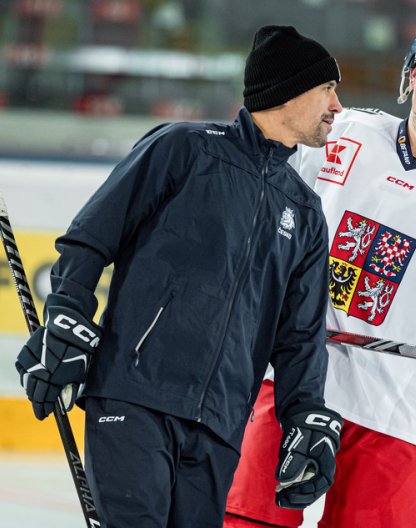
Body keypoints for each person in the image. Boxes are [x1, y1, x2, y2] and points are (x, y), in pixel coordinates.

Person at [14, 25, 345, 527]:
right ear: (289, 92)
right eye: (327, 90)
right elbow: (90, 238)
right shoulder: (185, 149)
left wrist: (306, 416)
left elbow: (300, 338)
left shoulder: (304, 211)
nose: (337, 107)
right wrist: (65, 314)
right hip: (135, 396)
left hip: (219, 425)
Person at [224, 15, 416, 528]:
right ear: (410, 75)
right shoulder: (344, 132)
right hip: (293, 371)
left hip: (397, 402)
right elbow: (265, 195)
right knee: (244, 520)